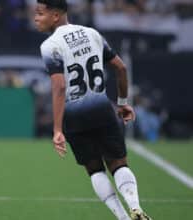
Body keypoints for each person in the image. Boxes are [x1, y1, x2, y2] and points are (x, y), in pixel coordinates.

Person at [34, 1, 152, 219]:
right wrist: (124, 102)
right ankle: (135, 207)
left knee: (95, 169)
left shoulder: (50, 46)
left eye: (40, 13)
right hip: (102, 110)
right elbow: (121, 67)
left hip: (74, 118)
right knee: (118, 162)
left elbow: (60, 86)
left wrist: (57, 129)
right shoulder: (92, 34)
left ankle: (124, 218)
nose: (36, 18)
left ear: (56, 15)